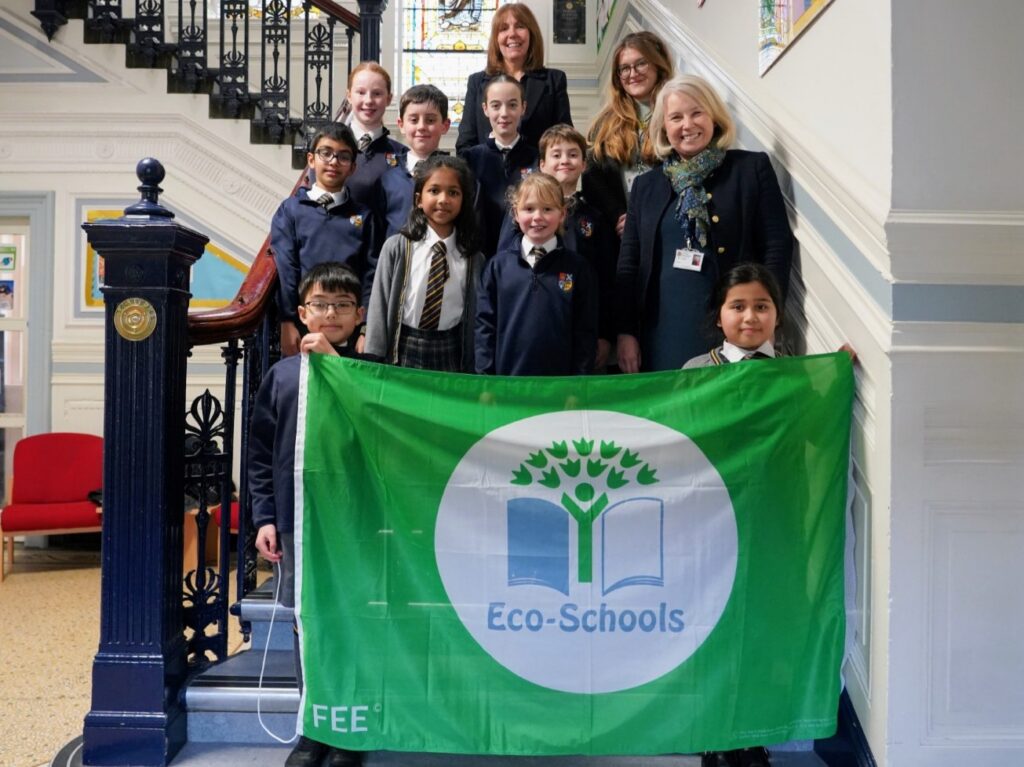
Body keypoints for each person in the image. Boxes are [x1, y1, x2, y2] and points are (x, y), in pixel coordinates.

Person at [249, 262, 370, 767]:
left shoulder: (369, 372)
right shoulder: (280, 377)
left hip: (355, 523)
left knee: (351, 619)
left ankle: (349, 729)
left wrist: (337, 364)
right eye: (321, 304)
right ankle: (314, 724)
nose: (332, 313)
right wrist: (265, 516)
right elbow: (259, 452)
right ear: (302, 313)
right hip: (299, 522)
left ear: (360, 314)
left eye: (343, 305)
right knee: (308, 620)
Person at [616, 74, 794, 373]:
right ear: (663, 127)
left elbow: (776, 246)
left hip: (736, 327)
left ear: (714, 116)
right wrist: (625, 332)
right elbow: (629, 264)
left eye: (697, 112)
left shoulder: (750, 169)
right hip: (662, 329)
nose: (688, 125)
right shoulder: (646, 186)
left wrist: (768, 316)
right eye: (676, 117)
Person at [497, 124, 615, 368]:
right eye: (556, 154)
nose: (565, 161)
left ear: (584, 164)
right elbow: (504, 271)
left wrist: (605, 334)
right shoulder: (520, 213)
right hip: (527, 328)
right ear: (542, 164)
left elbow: (606, 278)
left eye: (573, 154)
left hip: (580, 328)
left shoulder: (594, 217)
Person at [365, 155, 484, 372]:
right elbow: (379, 304)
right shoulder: (397, 247)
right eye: (434, 190)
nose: (443, 200)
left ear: (464, 200)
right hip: (403, 347)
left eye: (453, 193)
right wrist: (374, 356)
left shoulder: (473, 256)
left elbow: (476, 313)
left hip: (451, 349)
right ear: (419, 199)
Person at [476, 173, 596, 376]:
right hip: (506, 384)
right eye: (529, 209)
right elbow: (484, 327)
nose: (537, 217)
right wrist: (485, 378)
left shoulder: (578, 269)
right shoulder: (497, 267)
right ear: (515, 213)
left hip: (560, 387)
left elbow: (585, 331)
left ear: (562, 213)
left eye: (547, 209)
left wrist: (579, 382)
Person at [272, 123, 377, 357]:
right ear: (311, 159)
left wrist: (366, 327)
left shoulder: (364, 216)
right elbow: (287, 268)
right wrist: (288, 320)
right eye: (326, 153)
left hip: (350, 328)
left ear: (352, 168)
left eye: (343, 156)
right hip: (306, 323)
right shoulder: (291, 211)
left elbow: (371, 274)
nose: (333, 161)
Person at [583, 31, 675, 240]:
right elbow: (592, 178)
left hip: (668, 225)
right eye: (624, 68)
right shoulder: (603, 124)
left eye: (641, 63)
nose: (632, 73)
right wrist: (619, 216)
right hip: (621, 234)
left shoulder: (678, 114)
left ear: (658, 65)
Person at [455, 2, 572, 155]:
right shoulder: (477, 82)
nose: (512, 34)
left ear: (532, 33)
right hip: (486, 176)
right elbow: (465, 144)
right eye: (503, 29)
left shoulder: (554, 80)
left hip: (538, 175)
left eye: (520, 26)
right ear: (496, 38)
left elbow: (564, 140)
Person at [461, 74, 538, 257]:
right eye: (496, 105)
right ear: (485, 109)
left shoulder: (538, 159)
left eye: (512, 105)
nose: (504, 113)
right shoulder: (469, 159)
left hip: (524, 258)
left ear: (523, 108)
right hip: (478, 255)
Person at [373, 83, 452, 241]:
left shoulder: (456, 176)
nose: (421, 127)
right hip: (398, 261)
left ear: (445, 125)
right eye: (414, 120)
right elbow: (376, 233)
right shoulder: (387, 179)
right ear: (401, 125)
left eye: (430, 120)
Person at [342, 62, 406, 210]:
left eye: (377, 93)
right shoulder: (328, 150)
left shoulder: (402, 155)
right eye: (361, 92)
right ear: (349, 96)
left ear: (389, 99)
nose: (368, 100)